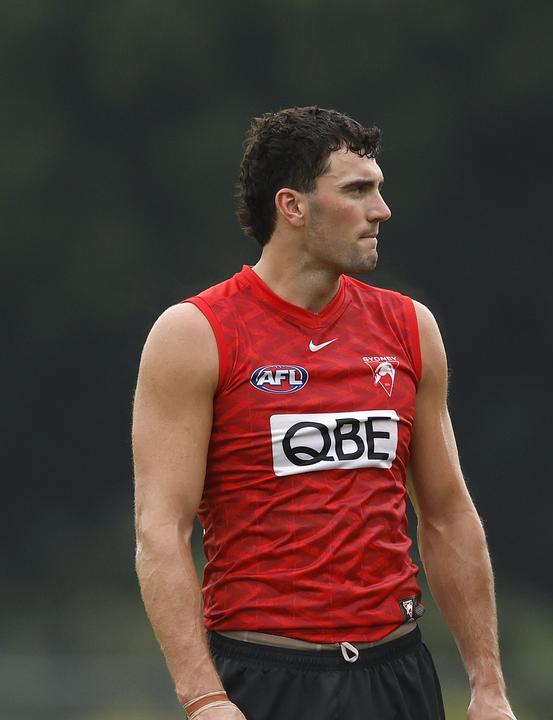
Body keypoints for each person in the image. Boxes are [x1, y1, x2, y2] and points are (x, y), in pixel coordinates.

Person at [133, 106, 517, 720]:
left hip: (397, 673)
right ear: (292, 206)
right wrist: (203, 697)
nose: (381, 210)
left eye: (379, 189)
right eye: (358, 190)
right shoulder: (195, 334)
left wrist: (489, 686)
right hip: (265, 678)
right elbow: (161, 532)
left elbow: (446, 514)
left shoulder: (409, 327)